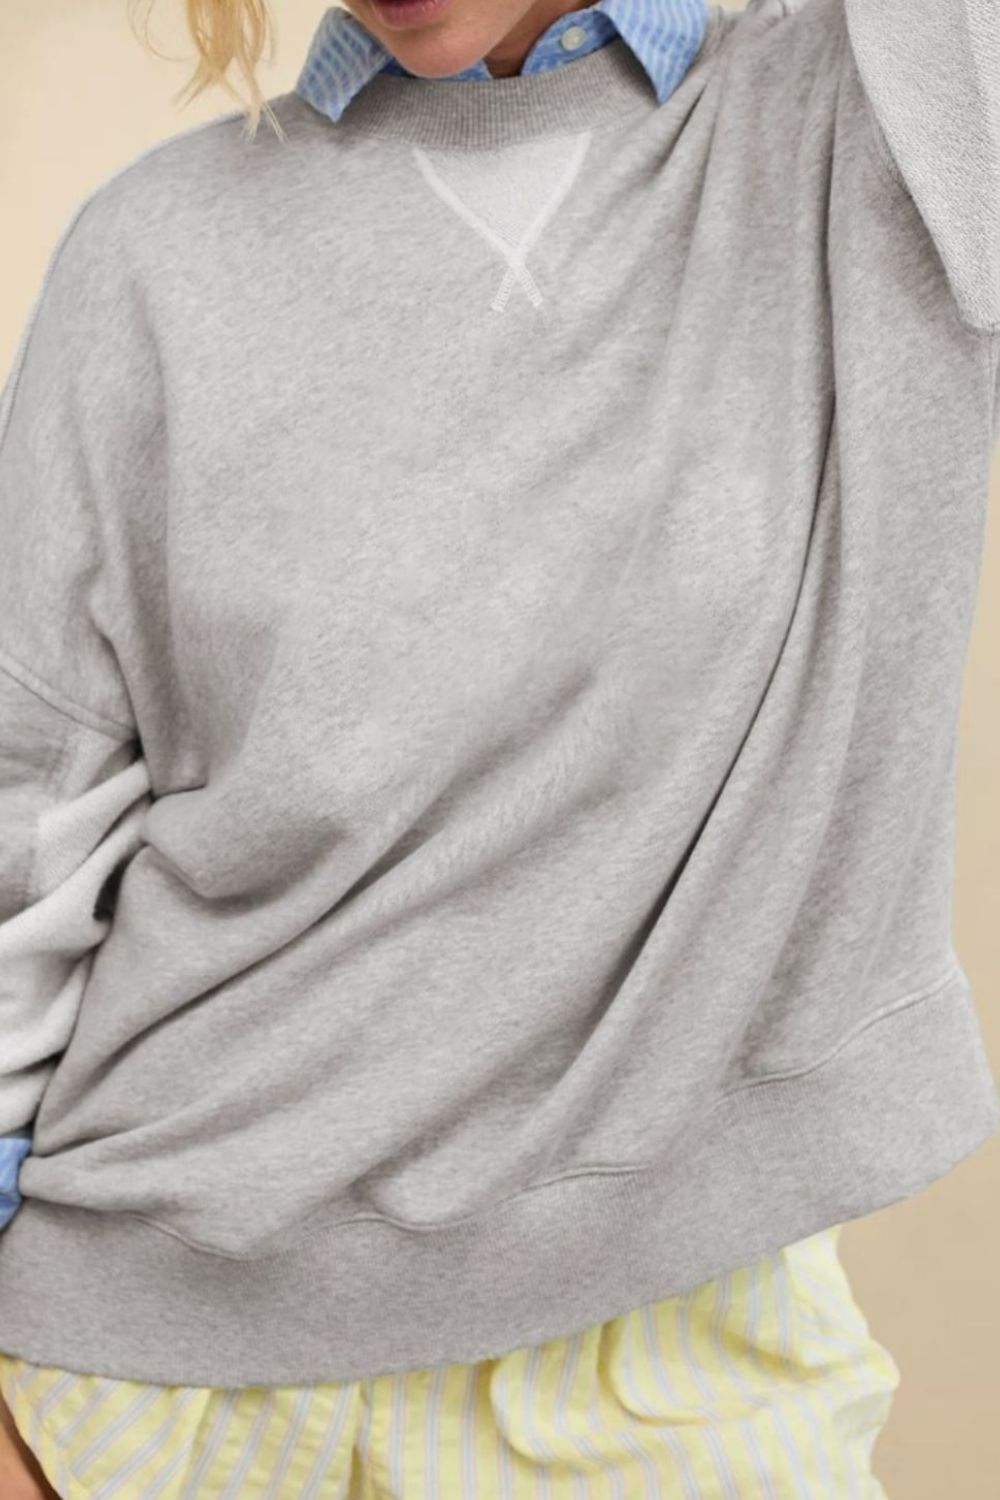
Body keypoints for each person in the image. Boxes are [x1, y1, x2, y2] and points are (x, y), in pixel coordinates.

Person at [0, 0, 998, 1494]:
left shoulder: (872, 127)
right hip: (146, 1369)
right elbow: (27, 808)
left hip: (678, 1352)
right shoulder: (155, 246)